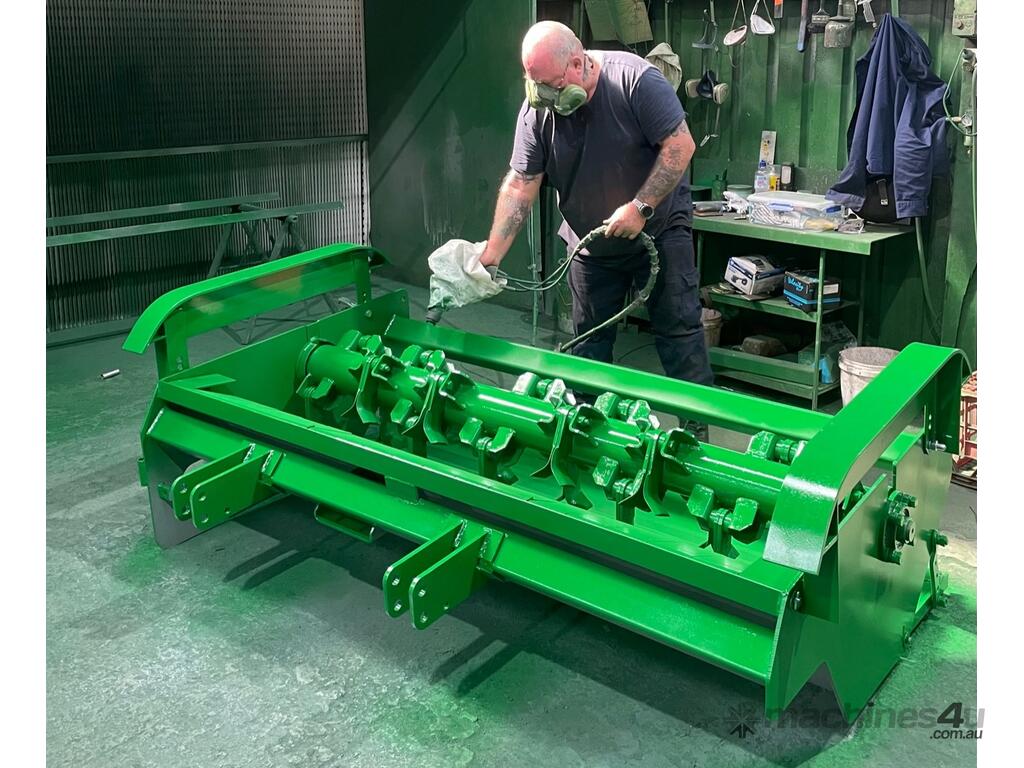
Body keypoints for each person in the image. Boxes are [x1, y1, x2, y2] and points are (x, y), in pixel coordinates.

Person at [479, 21, 714, 405]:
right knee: (588, 343)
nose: (545, 96)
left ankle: (695, 429)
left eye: (552, 85)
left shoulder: (636, 82)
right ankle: (586, 427)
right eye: (536, 85)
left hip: (658, 231)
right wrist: (491, 255)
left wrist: (640, 207)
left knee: (679, 334)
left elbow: (680, 146)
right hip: (590, 243)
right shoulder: (538, 110)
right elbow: (521, 183)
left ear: (578, 63)